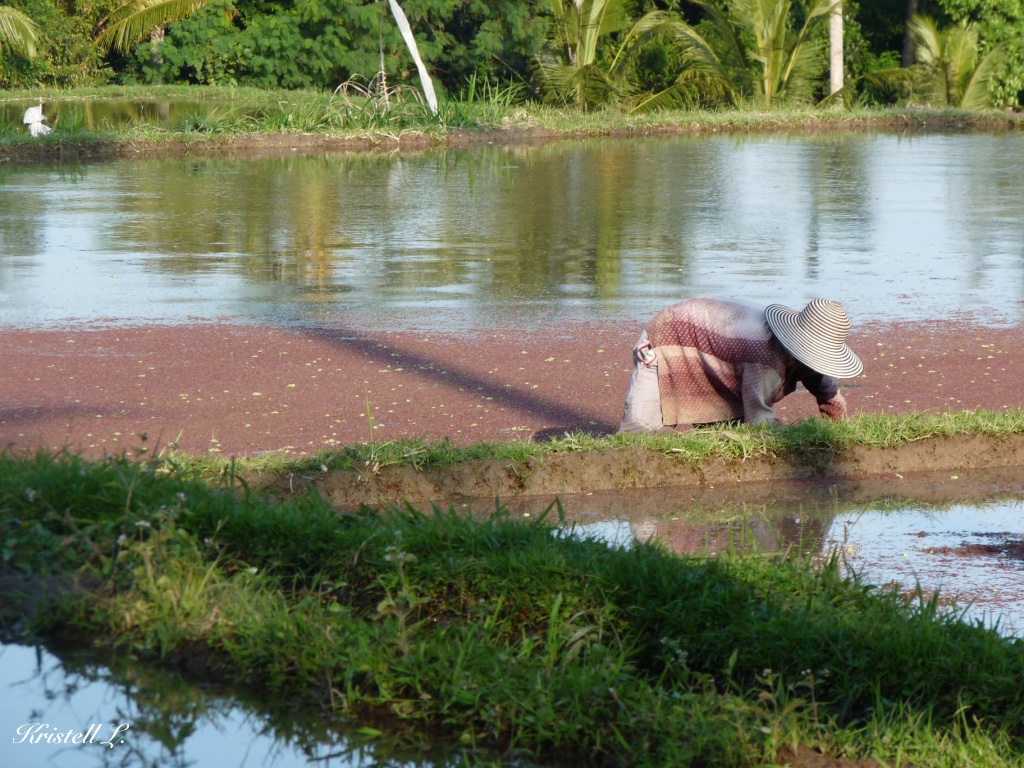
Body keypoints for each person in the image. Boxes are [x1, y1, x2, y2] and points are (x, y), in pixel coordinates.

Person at [618, 297, 862, 434]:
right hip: (671, 333)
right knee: (637, 433)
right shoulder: (764, 355)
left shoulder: (811, 357)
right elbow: (760, 421)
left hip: (718, 350)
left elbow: (829, 394)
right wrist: (797, 440)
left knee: (725, 435)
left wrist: (839, 434)